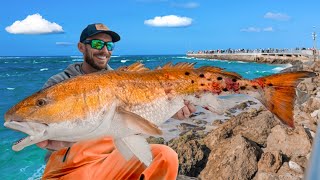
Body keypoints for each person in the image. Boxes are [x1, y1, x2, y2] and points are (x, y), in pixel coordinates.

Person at [38, 23, 196, 179]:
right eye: (97, 44)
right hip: (68, 167)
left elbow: (139, 116)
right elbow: (39, 127)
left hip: (110, 160)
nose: (104, 50)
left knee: (165, 156)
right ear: (81, 47)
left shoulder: (124, 82)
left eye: (109, 46)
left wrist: (170, 109)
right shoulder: (58, 84)